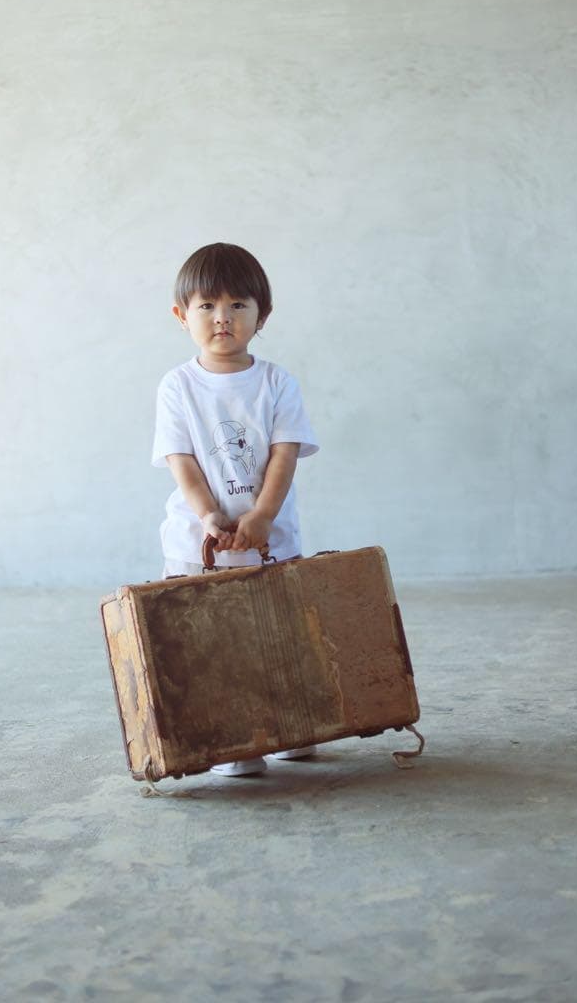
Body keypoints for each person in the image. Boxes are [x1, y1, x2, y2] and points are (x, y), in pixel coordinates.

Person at [151, 242, 319, 777]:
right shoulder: (177, 386)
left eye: (238, 306)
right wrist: (208, 518)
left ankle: (292, 725)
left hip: (270, 539)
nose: (222, 318)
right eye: (206, 306)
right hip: (199, 543)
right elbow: (183, 462)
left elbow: (283, 454)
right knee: (214, 646)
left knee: (280, 635)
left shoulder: (276, 383)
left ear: (260, 315)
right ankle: (236, 740)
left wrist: (263, 516)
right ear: (182, 316)